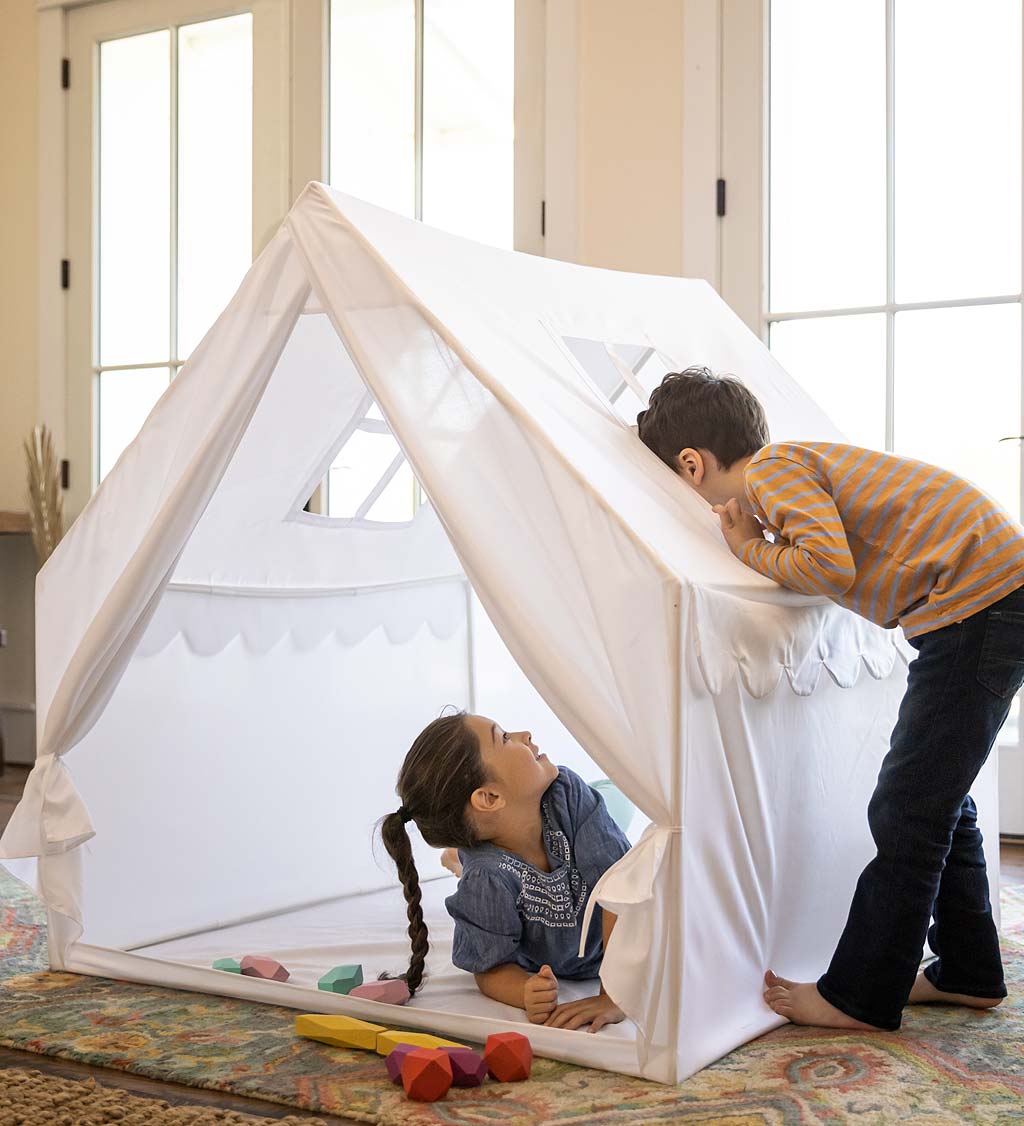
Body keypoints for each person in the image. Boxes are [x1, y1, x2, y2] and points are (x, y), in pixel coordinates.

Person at [637, 365, 1023, 1032]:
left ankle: (861, 995)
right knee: (936, 795)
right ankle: (967, 968)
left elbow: (829, 567)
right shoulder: (794, 465)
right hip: (982, 600)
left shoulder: (772, 474)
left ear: (692, 465)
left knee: (905, 807)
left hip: (978, 606)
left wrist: (751, 547)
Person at [380, 711, 631, 1031]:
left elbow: (621, 885)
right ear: (490, 797)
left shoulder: (567, 792)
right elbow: (490, 967)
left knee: (620, 818)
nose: (525, 733)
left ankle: (456, 856)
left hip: (590, 839)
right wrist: (524, 990)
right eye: (505, 738)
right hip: (498, 868)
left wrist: (614, 995)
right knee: (484, 871)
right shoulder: (487, 879)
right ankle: (459, 859)